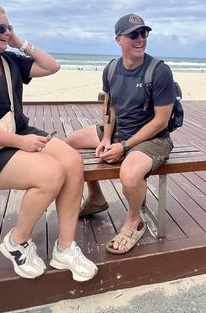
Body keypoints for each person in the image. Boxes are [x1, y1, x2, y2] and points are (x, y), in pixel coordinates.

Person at [0, 5, 97, 282]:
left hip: (16, 133)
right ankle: (17, 241)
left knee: (72, 161)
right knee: (51, 173)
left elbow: (52, 66)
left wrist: (19, 43)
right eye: (1, 28)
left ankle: (65, 247)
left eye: (9, 28)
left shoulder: (10, 61)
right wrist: (20, 142)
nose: (7, 33)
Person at [67, 14, 175, 254]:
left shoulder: (159, 71)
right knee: (69, 144)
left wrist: (124, 146)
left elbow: (161, 121)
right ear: (118, 40)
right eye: (133, 34)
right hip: (119, 133)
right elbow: (109, 105)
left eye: (143, 34)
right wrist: (106, 138)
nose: (140, 39)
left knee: (129, 174)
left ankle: (134, 221)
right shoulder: (112, 68)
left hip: (153, 139)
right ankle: (95, 197)